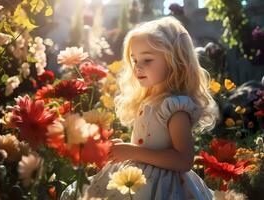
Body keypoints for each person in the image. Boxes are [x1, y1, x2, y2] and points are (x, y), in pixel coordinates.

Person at [61, 16, 219, 200]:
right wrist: (124, 149)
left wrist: (133, 151)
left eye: (147, 60)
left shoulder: (174, 108)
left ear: (173, 60)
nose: (138, 67)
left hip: (162, 187)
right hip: (137, 176)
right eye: (134, 60)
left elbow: (184, 160)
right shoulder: (149, 100)